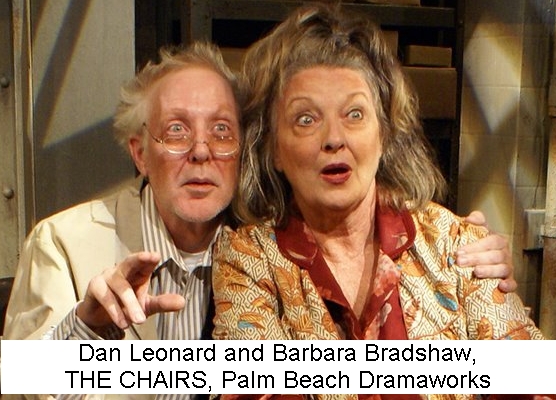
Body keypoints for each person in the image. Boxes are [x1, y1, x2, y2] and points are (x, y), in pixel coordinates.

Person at [211, 3, 545, 398]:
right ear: (274, 150)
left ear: (384, 134)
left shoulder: (457, 244)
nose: (334, 139)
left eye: (354, 114)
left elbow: (533, 382)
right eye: (306, 119)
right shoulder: (247, 258)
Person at [3, 41, 242, 345]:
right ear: (141, 155)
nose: (201, 152)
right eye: (176, 130)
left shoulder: (272, 253)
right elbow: (25, 376)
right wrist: (85, 328)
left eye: (221, 130)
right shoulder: (60, 243)